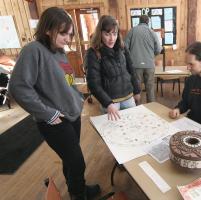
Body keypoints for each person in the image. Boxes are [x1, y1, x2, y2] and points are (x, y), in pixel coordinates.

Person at [9, 7, 100, 200]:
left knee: (69, 159)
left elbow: (68, 81)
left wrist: (77, 99)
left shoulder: (59, 52)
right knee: (77, 162)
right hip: (54, 121)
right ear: (48, 29)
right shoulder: (33, 50)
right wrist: (47, 113)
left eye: (70, 34)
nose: (68, 39)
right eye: (63, 33)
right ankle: (78, 195)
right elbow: (18, 87)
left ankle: (78, 189)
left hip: (72, 115)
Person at [85, 15, 141, 120]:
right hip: (111, 102)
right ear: (100, 33)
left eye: (114, 34)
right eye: (107, 34)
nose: (112, 39)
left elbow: (131, 70)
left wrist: (137, 90)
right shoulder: (93, 53)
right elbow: (93, 83)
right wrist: (107, 103)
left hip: (128, 96)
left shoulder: (122, 47)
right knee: (114, 131)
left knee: (133, 125)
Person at [124, 15, 162, 103]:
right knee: (150, 89)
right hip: (149, 65)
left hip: (135, 65)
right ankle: (151, 109)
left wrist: (130, 59)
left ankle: (137, 110)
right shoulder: (152, 32)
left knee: (136, 90)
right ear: (148, 22)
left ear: (139, 21)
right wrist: (151, 56)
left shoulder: (132, 31)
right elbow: (158, 50)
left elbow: (125, 48)